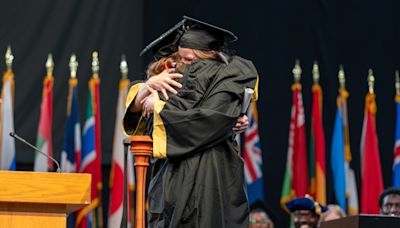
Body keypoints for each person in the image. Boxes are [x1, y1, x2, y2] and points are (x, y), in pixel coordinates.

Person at [123, 16, 259, 227]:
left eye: (189, 60)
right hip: (174, 173)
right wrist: (149, 87)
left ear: (209, 56)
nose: (183, 66)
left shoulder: (228, 76)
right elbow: (144, 117)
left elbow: (209, 119)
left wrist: (158, 107)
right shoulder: (172, 77)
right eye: (181, 59)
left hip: (213, 171)